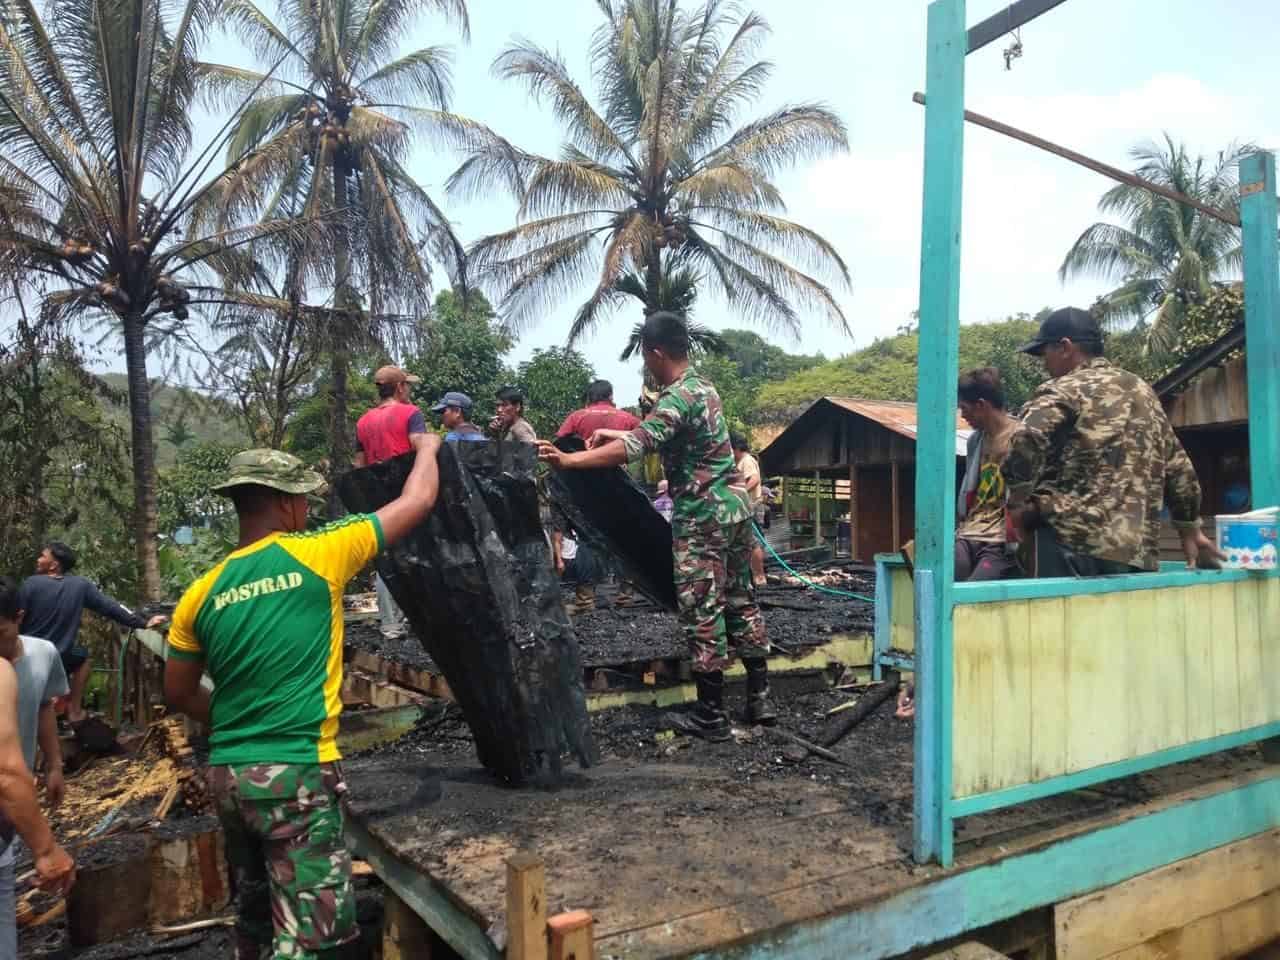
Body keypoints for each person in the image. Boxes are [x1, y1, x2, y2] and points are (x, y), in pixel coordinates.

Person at [163, 443, 442, 960]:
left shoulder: (202, 591)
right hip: (294, 773)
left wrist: (233, 722)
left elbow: (177, 691)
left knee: (256, 918)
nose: (308, 511)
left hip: (229, 776)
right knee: (314, 937)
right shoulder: (318, 551)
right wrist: (428, 448)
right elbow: (418, 501)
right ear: (286, 503)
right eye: (304, 501)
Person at [539, 312, 772, 740]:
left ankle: (711, 715)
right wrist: (612, 430)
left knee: (702, 609)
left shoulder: (675, 397)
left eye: (645, 356)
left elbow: (632, 448)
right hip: (736, 509)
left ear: (655, 353)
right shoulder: (703, 387)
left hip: (703, 517)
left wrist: (567, 460)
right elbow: (653, 433)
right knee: (741, 599)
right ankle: (760, 698)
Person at [1003, 307, 1221, 575]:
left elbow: (1026, 437)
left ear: (1065, 347)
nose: (1043, 363)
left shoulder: (1065, 388)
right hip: (1134, 552)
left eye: (1043, 352)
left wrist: (1019, 503)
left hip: (1069, 542)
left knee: (1057, 617)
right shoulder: (1144, 393)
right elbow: (1178, 467)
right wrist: (1189, 529)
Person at [0, 580, 76, 956]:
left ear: (19, 618)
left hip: (14, 793)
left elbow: (45, 706)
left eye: (0, 633)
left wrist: (55, 766)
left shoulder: (43, 654)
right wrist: (45, 850)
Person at [19, 543, 166, 726]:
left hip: (28, 656)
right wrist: (142, 622)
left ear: (54, 565)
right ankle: (74, 710)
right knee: (84, 659)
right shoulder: (80, 586)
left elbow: (16, 617)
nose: (38, 559)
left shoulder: (31, 584)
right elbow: (110, 607)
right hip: (60, 657)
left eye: (42, 556)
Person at [355, 365, 430, 641]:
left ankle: (391, 625)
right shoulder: (410, 413)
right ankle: (424, 622)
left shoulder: (363, 422)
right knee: (421, 556)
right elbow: (419, 447)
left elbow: (359, 465)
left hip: (379, 502)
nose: (408, 389)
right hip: (409, 497)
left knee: (387, 561)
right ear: (399, 387)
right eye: (407, 385)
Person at [955, 368, 1020, 582]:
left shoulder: (1021, 438)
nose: (962, 416)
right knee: (943, 583)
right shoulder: (976, 441)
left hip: (1001, 539)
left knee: (973, 596)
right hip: (969, 533)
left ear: (981, 405)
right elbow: (970, 490)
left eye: (964, 409)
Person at [731, 434, 768, 588]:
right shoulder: (738, 462)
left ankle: (760, 577)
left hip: (751, 506)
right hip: (743, 507)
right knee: (743, 543)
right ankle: (749, 578)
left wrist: (741, 492)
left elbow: (754, 479)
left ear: (737, 447)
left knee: (753, 542)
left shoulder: (747, 460)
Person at [556, 380, 640, 443]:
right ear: (610, 396)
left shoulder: (576, 416)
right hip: (617, 464)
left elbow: (561, 440)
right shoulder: (628, 418)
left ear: (590, 396)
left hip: (583, 463)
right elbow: (647, 436)